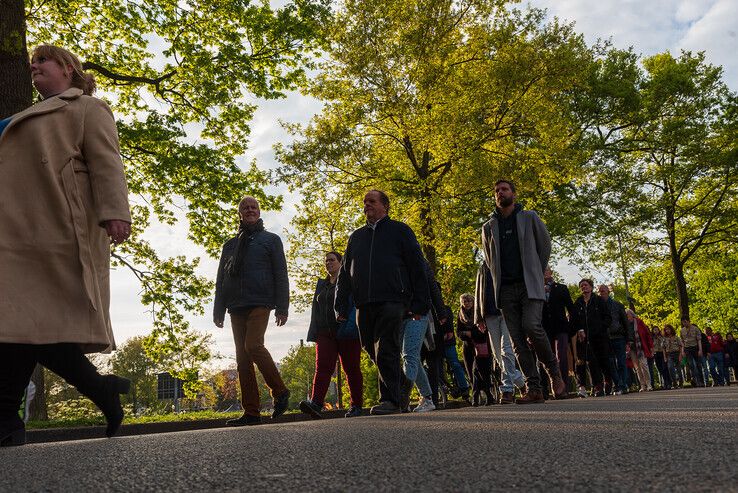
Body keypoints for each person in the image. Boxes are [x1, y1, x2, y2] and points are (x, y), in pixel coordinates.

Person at [0, 45, 133, 447]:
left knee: (23, 327)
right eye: (32, 63)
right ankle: (98, 390)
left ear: (68, 68)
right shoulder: (20, 118)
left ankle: (7, 419)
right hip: (12, 233)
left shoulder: (87, 108)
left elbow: (107, 161)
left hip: (55, 230)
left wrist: (115, 211)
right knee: (19, 326)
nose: (34, 67)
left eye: (43, 60)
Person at [335, 190, 430, 415]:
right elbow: (345, 274)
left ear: (385, 206)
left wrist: (420, 303)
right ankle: (403, 385)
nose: (367, 205)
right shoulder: (356, 237)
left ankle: (390, 400)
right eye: (365, 202)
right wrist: (340, 304)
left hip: (393, 298)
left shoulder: (400, 231)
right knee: (370, 346)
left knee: (387, 346)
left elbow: (417, 267)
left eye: (372, 201)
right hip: (363, 302)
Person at [480, 179, 566, 404]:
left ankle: (553, 372)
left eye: (504, 189)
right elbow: (489, 260)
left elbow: (545, 246)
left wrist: (535, 271)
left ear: (514, 194)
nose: (500, 193)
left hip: (529, 285)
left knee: (532, 326)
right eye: (497, 190)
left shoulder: (529, 217)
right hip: (506, 290)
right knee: (517, 340)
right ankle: (533, 388)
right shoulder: (489, 227)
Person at [214, 196, 290, 426]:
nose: (249, 210)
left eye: (253, 207)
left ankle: (280, 391)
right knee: (242, 360)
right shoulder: (230, 245)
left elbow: (281, 273)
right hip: (235, 305)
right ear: (239, 214)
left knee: (253, 346)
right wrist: (218, 308)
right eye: (245, 208)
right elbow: (221, 278)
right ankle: (251, 412)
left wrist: (282, 306)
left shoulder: (271, 240)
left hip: (261, 301)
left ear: (259, 211)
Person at [300, 252, 363, 419]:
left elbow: (356, 304)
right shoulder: (322, 285)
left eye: (332, 260)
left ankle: (356, 405)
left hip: (346, 332)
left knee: (351, 369)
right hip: (324, 333)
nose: (328, 263)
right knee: (322, 368)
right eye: (326, 260)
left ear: (341, 263)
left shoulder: (350, 282)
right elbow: (316, 310)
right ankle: (316, 404)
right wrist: (314, 331)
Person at [474, 262, 526, 404]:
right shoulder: (483, 267)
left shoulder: (506, 260)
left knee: (506, 350)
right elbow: (478, 292)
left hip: (508, 311)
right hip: (490, 314)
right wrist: (478, 317)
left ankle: (507, 390)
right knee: (498, 355)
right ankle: (521, 382)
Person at [572, 279, 613, 397]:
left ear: (591, 287)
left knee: (603, 361)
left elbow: (608, 318)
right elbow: (575, 320)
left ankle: (608, 381)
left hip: (600, 337)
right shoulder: (578, 303)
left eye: (586, 285)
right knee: (591, 362)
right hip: (584, 339)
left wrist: (601, 328)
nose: (583, 287)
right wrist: (579, 330)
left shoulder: (599, 301)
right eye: (581, 286)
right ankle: (597, 387)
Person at [542, 267, 576, 391]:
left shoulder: (561, 288)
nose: (545, 272)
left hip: (561, 326)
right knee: (547, 357)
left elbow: (571, 308)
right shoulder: (535, 289)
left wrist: (572, 326)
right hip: (544, 328)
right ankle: (548, 387)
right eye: (542, 269)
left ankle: (564, 386)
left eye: (547, 269)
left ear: (551, 273)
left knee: (562, 356)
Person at [599, 285, 632, 394]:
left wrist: (629, 339)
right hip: (606, 339)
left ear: (608, 291)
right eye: (600, 291)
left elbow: (625, 322)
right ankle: (618, 384)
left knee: (621, 362)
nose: (601, 292)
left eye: (603, 290)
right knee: (610, 363)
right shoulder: (597, 306)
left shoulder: (617, 305)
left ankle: (623, 385)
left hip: (619, 337)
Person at [626, 310, 653, 391]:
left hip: (641, 347)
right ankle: (642, 385)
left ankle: (649, 384)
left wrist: (650, 346)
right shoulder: (625, 324)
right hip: (632, 348)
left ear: (632, 314)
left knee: (644, 365)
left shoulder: (639, 322)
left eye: (627, 314)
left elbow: (647, 333)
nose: (626, 315)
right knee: (637, 368)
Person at [679, 317, 704, 387]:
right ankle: (695, 380)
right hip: (687, 349)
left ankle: (701, 381)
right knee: (691, 365)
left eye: (685, 321)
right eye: (683, 322)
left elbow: (699, 340)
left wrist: (700, 350)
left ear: (689, 321)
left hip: (695, 347)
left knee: (698, 365)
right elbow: (682, 342)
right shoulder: (682, 330)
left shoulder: (695, 329)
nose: (684, 323)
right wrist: (682, 351)